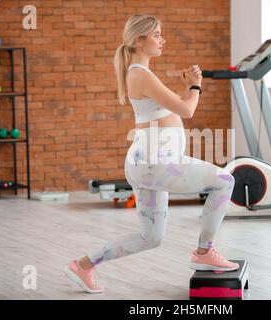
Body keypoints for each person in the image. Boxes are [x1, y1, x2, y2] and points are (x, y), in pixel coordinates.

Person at [64, 14, 238, 294]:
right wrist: (195, 85)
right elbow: (187, 110)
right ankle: (205, 251)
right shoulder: (140, 74)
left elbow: (176, 106)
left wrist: (186, 88)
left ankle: (84, 265)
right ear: (138, 40)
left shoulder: (140, 73)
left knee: (150, 237)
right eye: (156, 34)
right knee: (224, 181)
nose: (162, 39)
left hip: (148, 163)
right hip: (156, 162)